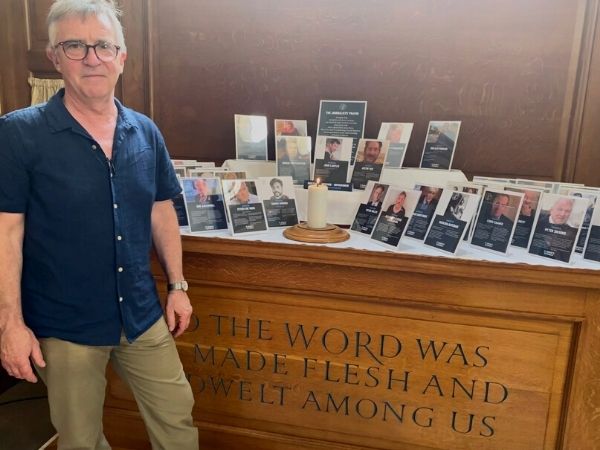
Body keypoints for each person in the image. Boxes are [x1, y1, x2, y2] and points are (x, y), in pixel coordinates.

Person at [0, 1, 198, 449]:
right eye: (75, 46)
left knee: (177, 421)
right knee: (79, 440)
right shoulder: (18, 134)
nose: (92, 58)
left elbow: (161, 209)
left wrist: (179, 286)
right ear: (54, 57)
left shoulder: (145, 131)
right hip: (65, 324)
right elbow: (6, 232)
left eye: (103, 46)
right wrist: (10, 323)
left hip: (142, 314)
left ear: (121, 57)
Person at [529, 198, 578, 262]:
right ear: (551, 210)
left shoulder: (572, 232)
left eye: (567, 211)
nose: (562, 214)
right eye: (560, 209)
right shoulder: (536, 224)